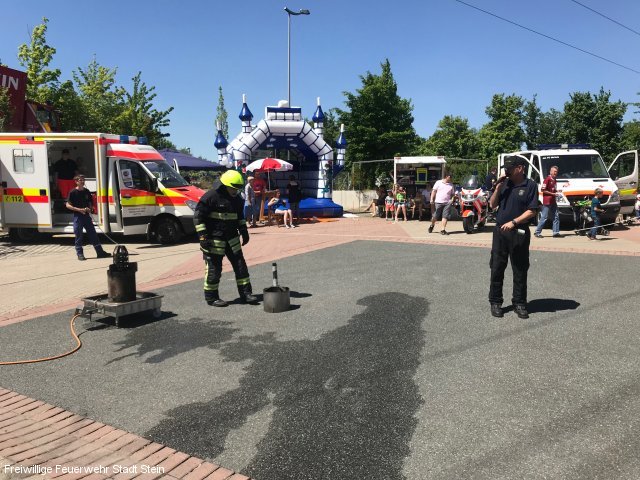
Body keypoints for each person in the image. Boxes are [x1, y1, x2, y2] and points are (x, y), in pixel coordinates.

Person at [194, 170, 257, 307]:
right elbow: (198, 217)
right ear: (225, 185)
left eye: (237, 188)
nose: (235, 191)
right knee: (214, 269)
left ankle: (246, 294)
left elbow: (240, 217)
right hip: (214, 240)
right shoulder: (210, 196)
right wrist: (203, 237)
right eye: (233, 188)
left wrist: (244, 231)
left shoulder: (237, 199)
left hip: (232, 239)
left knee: (241, 267)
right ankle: (212, 297)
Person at [488, 156, 538, 319]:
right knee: (497, 267)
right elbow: (492, 205)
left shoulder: (530, 185)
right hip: (500, 233)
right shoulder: (504, 184)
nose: (506, 171)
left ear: (520, 168)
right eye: (505, 168)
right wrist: (497, 188)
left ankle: (519, 303)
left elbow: (532, 211)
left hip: (519, 232)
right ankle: (495, 302)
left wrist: (514, 222)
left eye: (509, 168)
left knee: (520, 269)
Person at [66, 175, 111, 261]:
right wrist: (79, 210)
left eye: (83, 180)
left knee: (93, 234)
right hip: (78, 217)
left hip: (86, 216)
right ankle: (80, 254)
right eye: (80, 180)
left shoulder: (86, 191)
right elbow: (67, 205)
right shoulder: (73, 192)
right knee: (79, 235)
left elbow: (90, 203)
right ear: (76, 181)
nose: (82, 182)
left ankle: (100, 252)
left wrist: (89, 209)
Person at [534, 166, 560, 238]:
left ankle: (556, 232)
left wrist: (557, 191)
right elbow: (543, 190)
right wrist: (553, 194)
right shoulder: (547, 179)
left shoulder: (555, 180)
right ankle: (537, 232)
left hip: (553, 201)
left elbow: (553, 189)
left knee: (556, 216)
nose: (555, 173)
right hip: (547, 201)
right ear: (550, 172)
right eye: (554, 171)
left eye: (556, 172)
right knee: (544, 217)